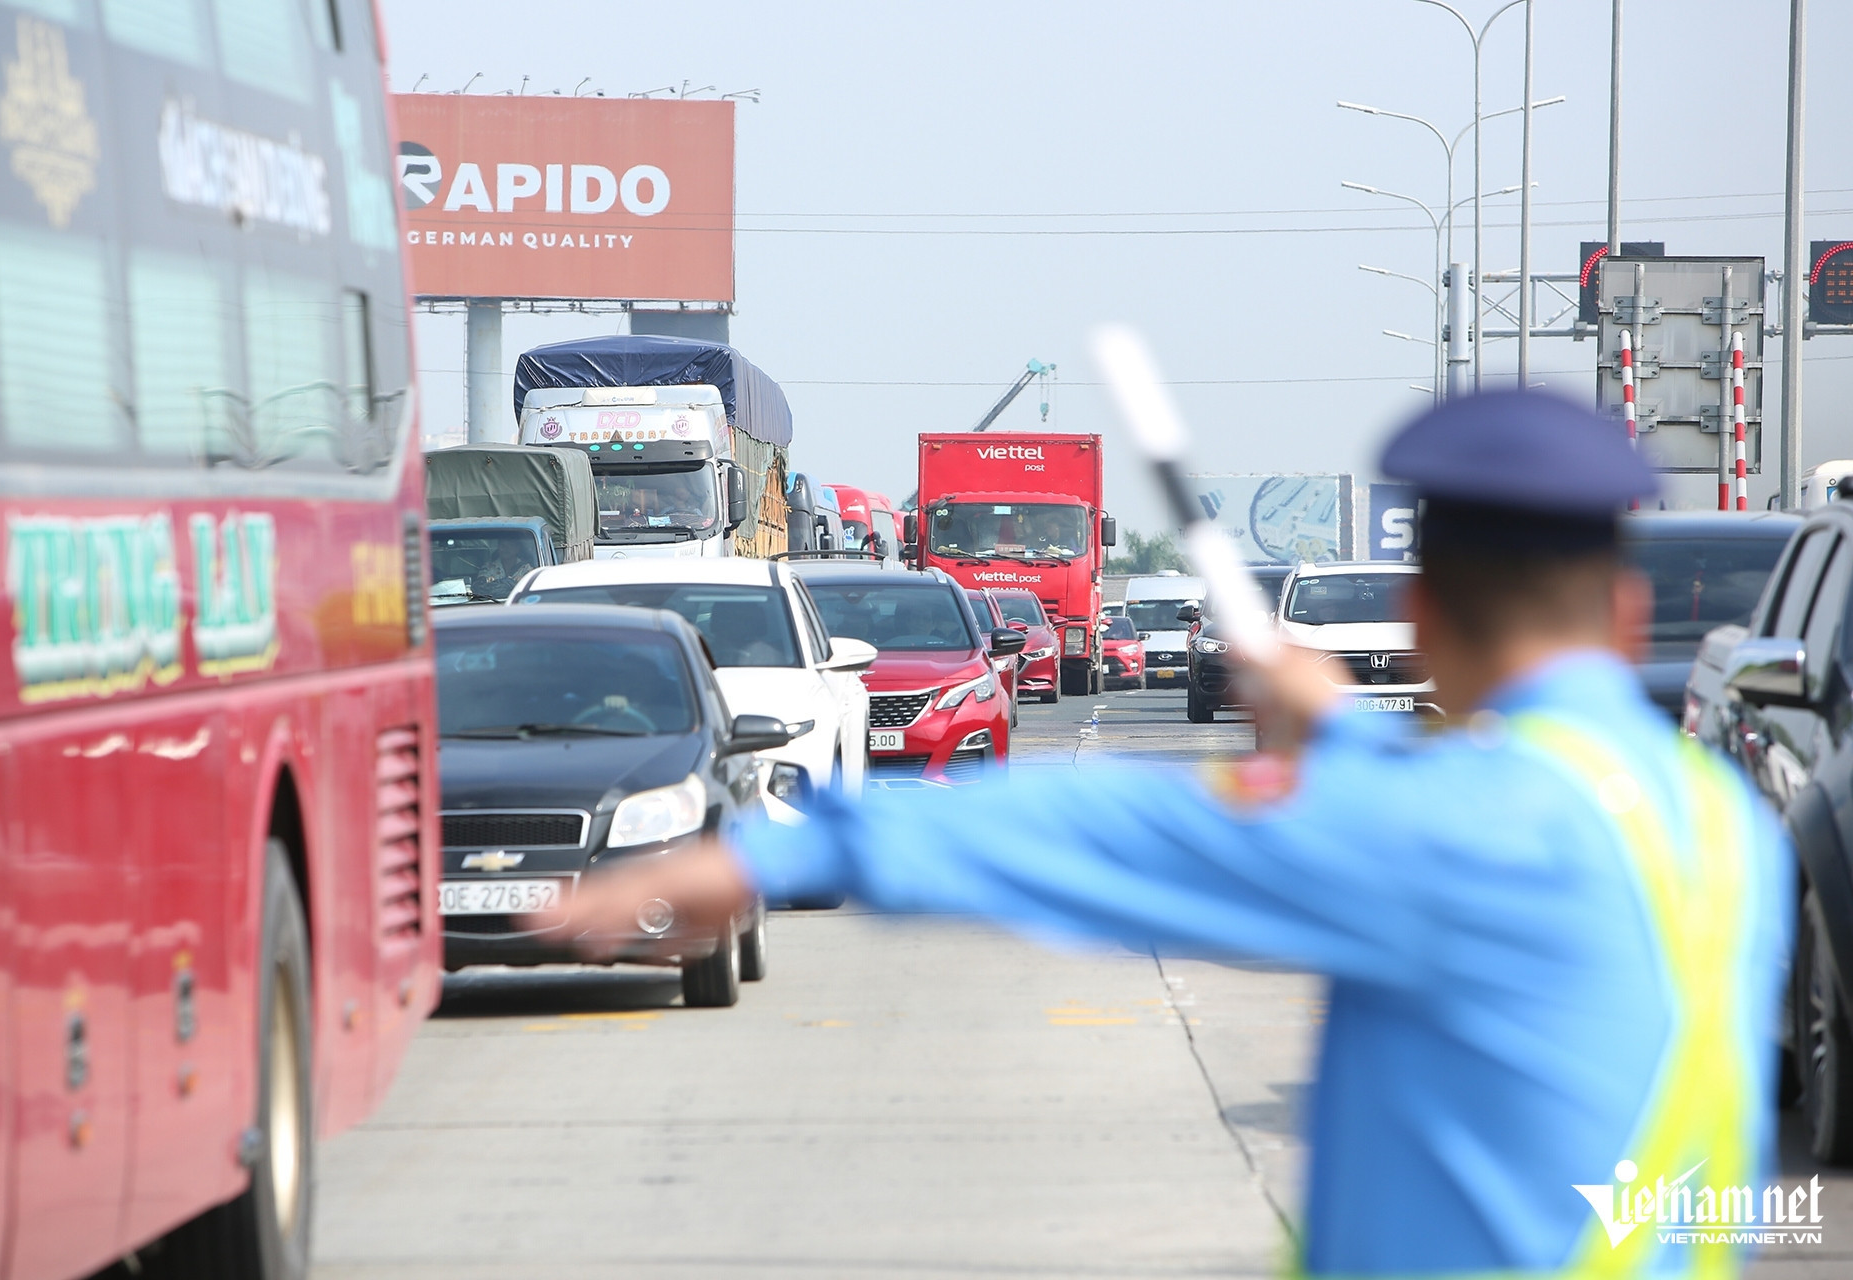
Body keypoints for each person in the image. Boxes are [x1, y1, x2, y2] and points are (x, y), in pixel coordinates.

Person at [554, 391, 1791, 1278]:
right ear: (1627, 610)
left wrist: (774, 852)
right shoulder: (1720, 821)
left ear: (1422, 610)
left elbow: (1123, 825)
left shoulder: (1459, 832)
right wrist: (1347, 745)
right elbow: (1492, 818)